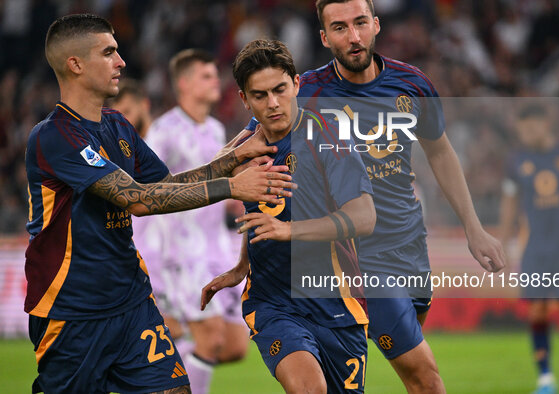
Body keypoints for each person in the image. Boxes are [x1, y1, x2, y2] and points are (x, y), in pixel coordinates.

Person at [25, 14, 292, 394]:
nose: (121, 62)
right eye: (109, 53)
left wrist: (232, 158)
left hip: (131, 302)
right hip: (72, 311)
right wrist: (232, 186)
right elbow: (138, 199)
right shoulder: (54, 137)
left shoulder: (117, 126)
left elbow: (166, 185)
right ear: (76, 64)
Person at [294, 1, 505, 392]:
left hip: (410, 244)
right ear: (324, 38)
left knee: (404, 368)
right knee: (425, 376)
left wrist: (474, 229)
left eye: (360, 23)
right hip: (356, 256)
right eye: (340, 28)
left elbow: (440, 151)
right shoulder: (304, 92)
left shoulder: (412, 84)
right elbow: (253, 146)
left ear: (376, 25)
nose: (353, 37)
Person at [202, 39, 376, 393]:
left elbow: (364, 218)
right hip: (273, 302)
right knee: (309, 389)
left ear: (296, 84)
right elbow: (258, 212)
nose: (273, 103)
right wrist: (242, 266)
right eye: (260, 95)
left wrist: (288, 230)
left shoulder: (329, 139)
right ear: (244, 99)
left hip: (336, 303)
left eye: (280, 90)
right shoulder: (247, 143)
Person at [132, 49, 249, 394]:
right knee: (210, 339)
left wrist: (234, 200)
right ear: (183, 83)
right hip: (180, 253)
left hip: (219, 249)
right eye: (207, 76)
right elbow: (144, 190)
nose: (216, 81)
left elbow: (217, 187)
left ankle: (155, 377)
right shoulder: (163, 131)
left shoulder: (215, 130)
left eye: (215, 75)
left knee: (234, 346)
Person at [499, 104, 559, 394]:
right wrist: (503, 240)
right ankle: (546, 378)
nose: (525, 133)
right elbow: (510, 201)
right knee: (537, 310)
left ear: (544, 124)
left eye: (529, 126)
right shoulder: (516, 160)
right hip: (534, 247)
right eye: (521, 128)